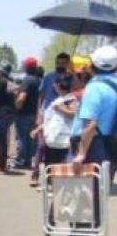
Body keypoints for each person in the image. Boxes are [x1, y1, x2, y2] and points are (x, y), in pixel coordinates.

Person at [71, 45, 117, 176]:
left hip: (92, 144)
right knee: (102, 188)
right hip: (111, 141)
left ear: (92, 64)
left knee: (87, 191)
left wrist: (81, 154)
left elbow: (90, 124)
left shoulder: (95, 88)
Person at [32, 53, 72, 184]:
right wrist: (39, 114)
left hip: (64, 119)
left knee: (60, 149)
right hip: (47, 115)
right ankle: (35, 175)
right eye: (58, 62)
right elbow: (41, 96)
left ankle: (54, 179)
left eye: (63, 62)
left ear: (68, 63)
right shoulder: (48, 76)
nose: (60, 65)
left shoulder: (72, 78)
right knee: (41, 146)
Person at [31, 73, 77, 166]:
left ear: (58, 86)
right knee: (51, 167)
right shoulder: (58, 101)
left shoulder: (70, 99)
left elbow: (73, 114)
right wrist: (37, 129)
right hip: (52, 141)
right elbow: (50, 120)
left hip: (65, 141)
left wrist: (61, 108)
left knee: (62, 168)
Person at [14, 56, 41, 169]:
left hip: (24, 113)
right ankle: (28, 161)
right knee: (30, 138)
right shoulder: (38, 80)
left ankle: (21, 161)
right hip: (34, 113)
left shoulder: (27, 80)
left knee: (21, 138)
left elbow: (21, 98)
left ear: (26, 67)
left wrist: (17, 107)